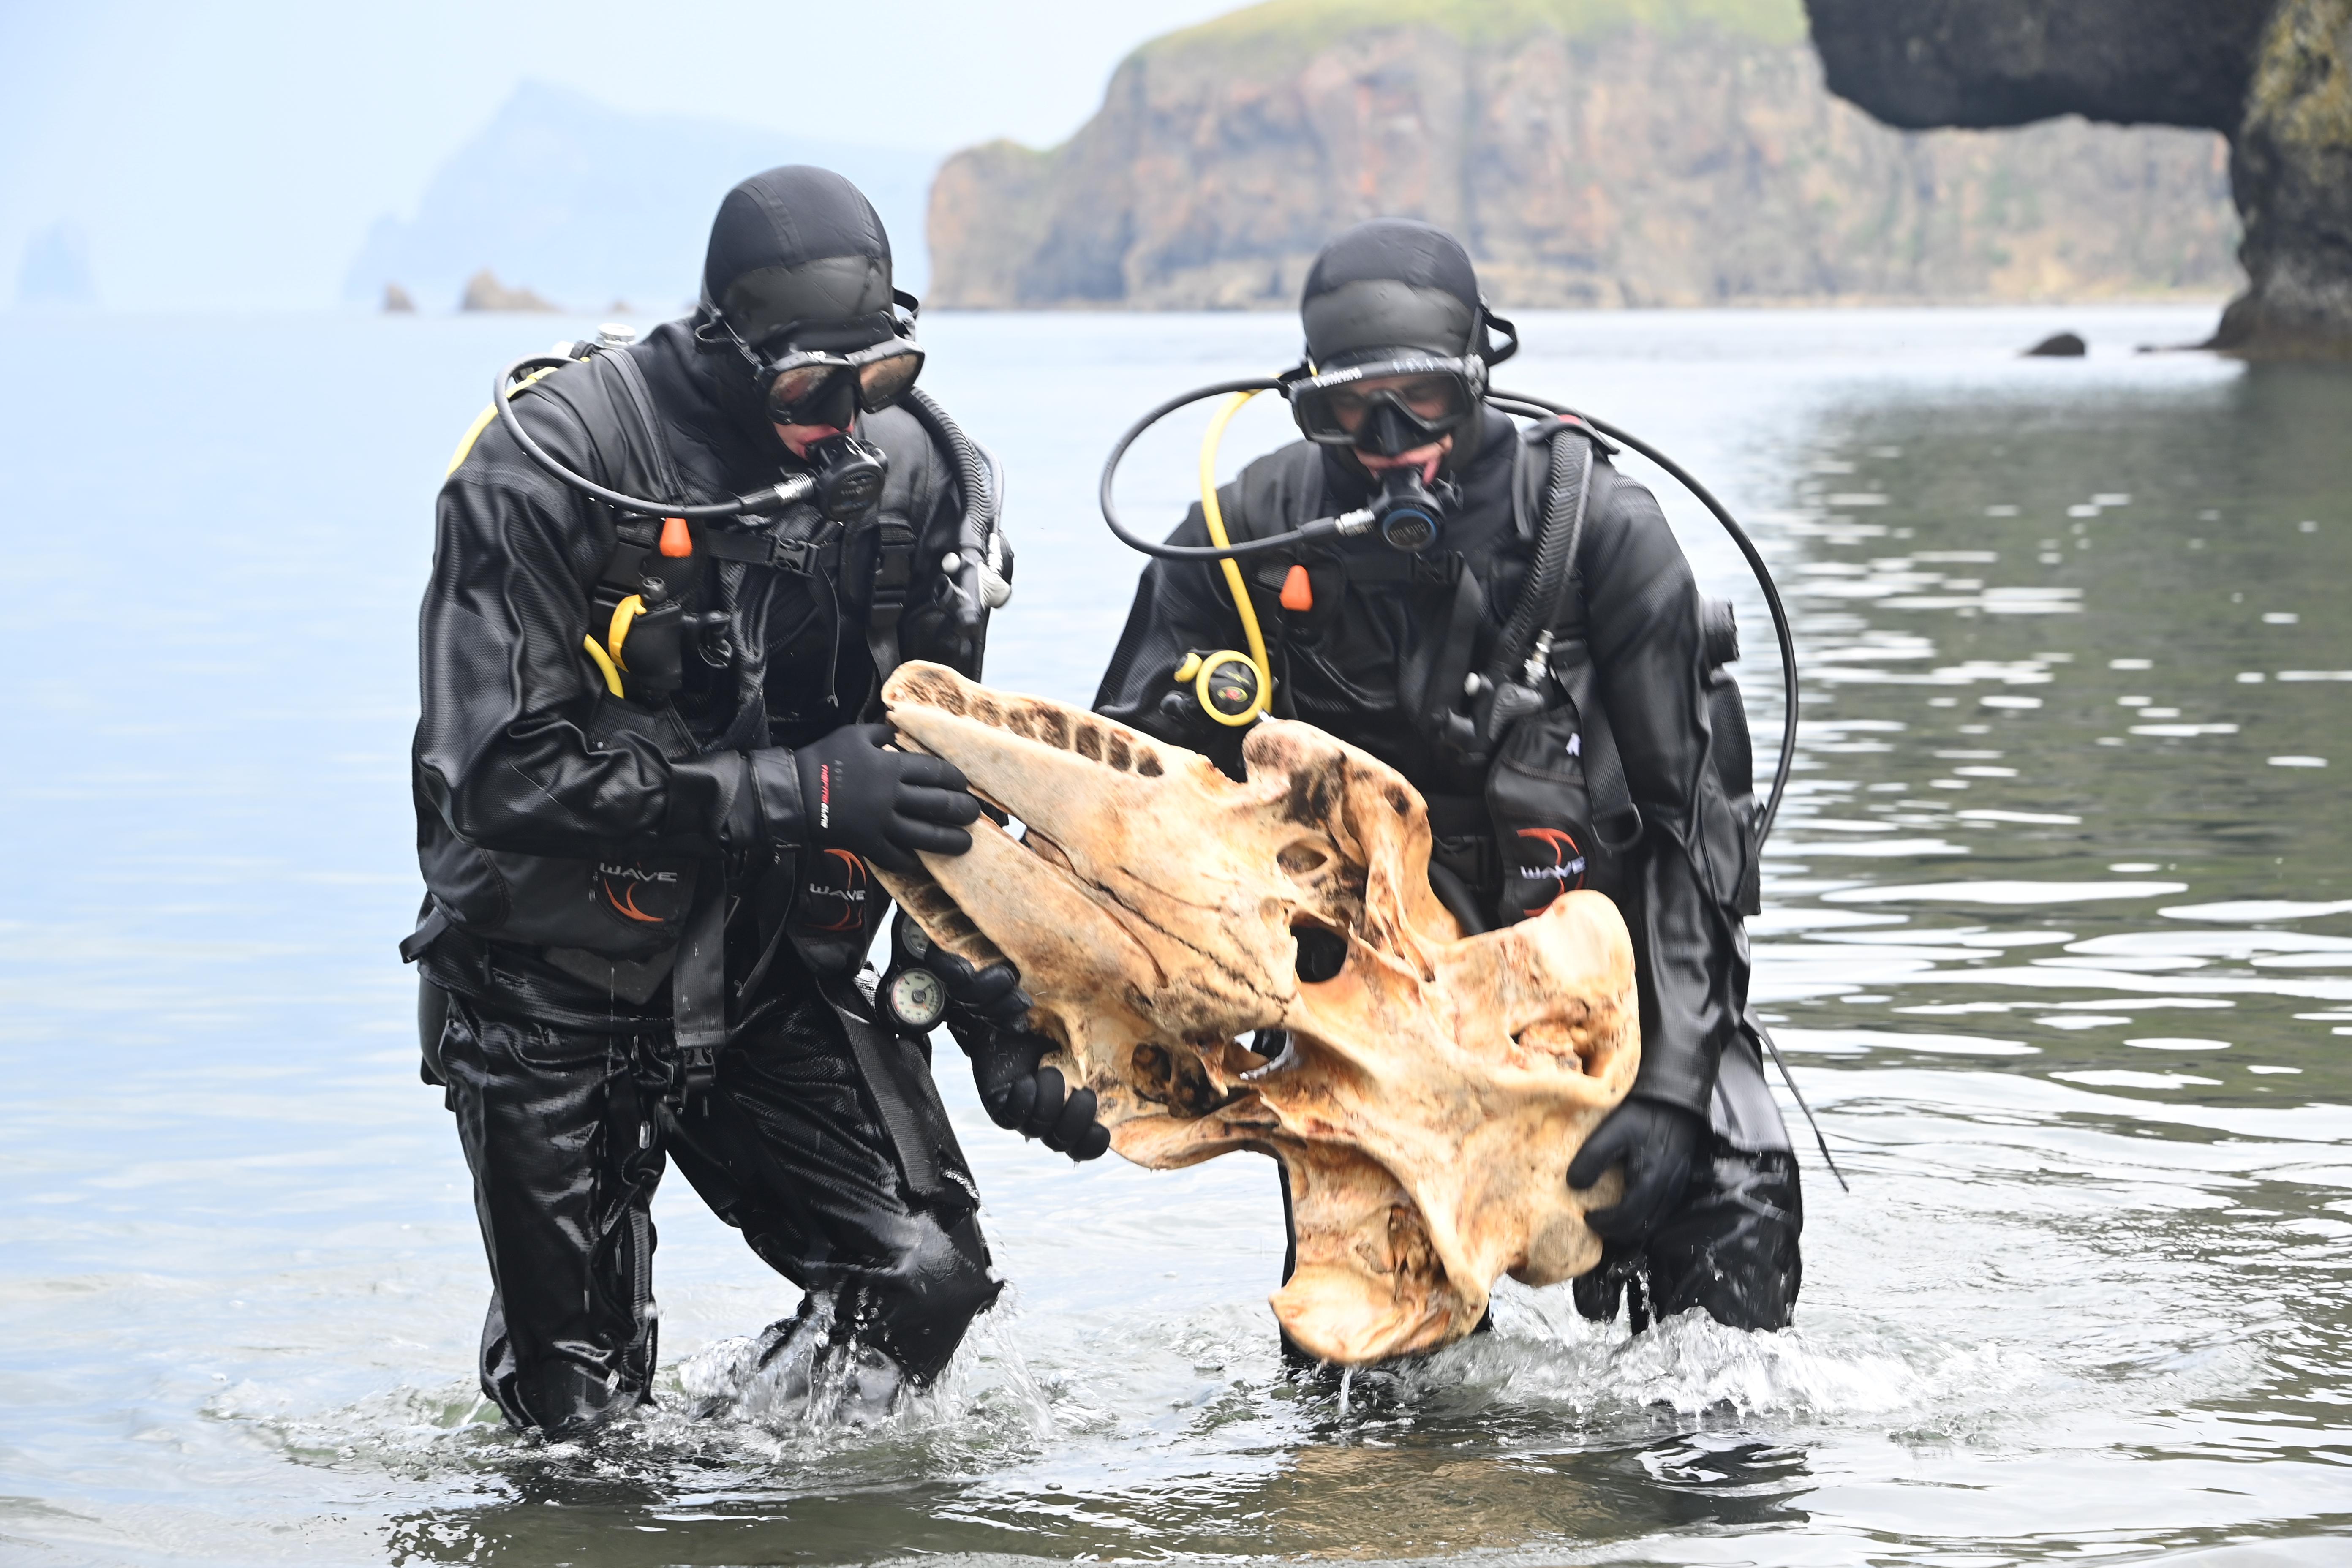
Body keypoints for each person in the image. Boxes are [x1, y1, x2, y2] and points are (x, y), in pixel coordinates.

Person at [404, 166, 1102, 1437]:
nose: (841, 421)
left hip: (772, 962)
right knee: (579, 1421)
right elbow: (492, 773)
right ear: (729, 346)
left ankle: (754, 1468)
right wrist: (796, 790)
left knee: (926, 1283)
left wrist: (1002, 1012)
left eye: (875, 382)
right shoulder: (555, 467)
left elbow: (943, 793)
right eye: (807, 388)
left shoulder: (917, 486)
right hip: (554, 980)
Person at [1093, 218, 1802, 1338]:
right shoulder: (1244, 538)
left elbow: (1690, 839)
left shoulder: (1604, 538)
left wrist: (1671, 1086)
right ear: (1306, 403)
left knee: (1737, 1230)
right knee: (1367, 1413)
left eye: (1420, 399)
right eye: (1346, 408)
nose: (1386, 439)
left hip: (1614, 975)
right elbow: (1106, 799)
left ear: (1480, 375)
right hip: (1372, 1011)